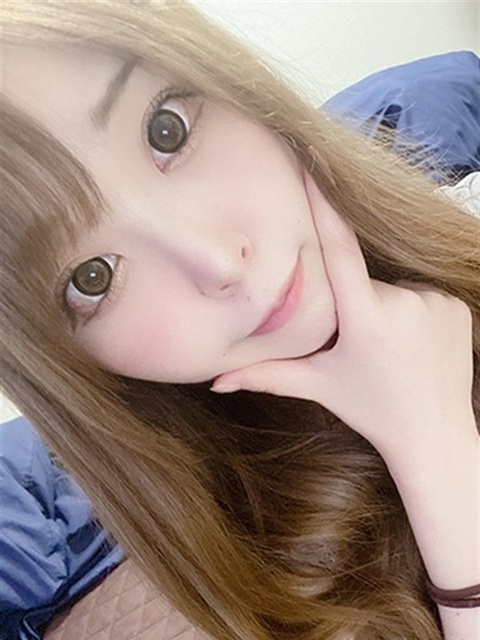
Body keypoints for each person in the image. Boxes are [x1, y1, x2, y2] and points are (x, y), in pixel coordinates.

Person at [0, 1, 478, 639]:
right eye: (94, 277)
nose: (219, 261)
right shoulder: (221, 553)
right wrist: (435, 449)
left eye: (166, 131)